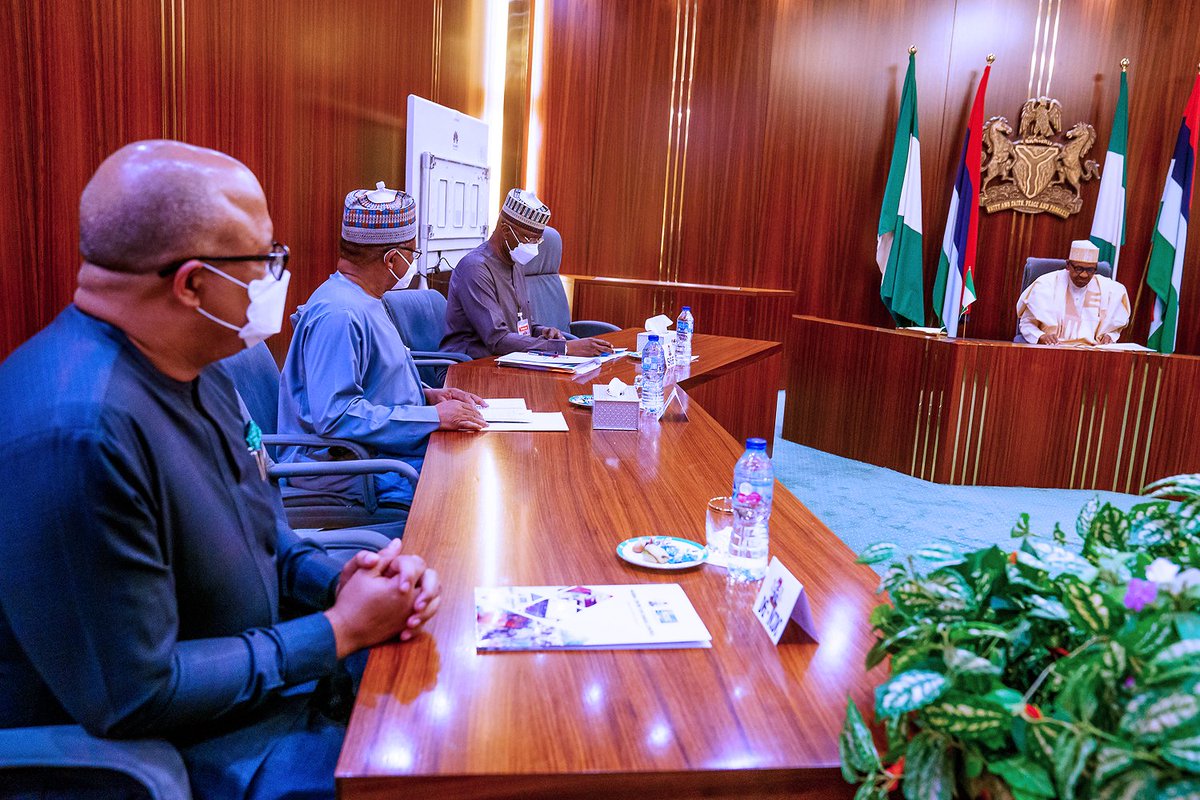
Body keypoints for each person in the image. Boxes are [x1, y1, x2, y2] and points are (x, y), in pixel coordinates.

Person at [0, 141, 440, 800]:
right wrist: (339, 629)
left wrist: (341, 580)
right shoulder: (81, 433)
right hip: (198, 749)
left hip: (275, 685)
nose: (275, 277)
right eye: (266, 260)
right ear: (193, 284)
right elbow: (136, 694)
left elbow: (271, 543)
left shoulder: (202, 369)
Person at [278, 182, 486, 508]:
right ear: (393, 258)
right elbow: (336, 417)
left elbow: (375, 381)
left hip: (380, 451)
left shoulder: (366, 300)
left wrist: (428, 396)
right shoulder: (340, 314)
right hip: (351, 467)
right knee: (466, 489)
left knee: (474, 466)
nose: (412, 262)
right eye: (412, 253)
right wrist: (431, 418)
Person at [441, 188, 613, 358]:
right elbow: (497, 339)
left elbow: (520, 324)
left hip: (505, 361)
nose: (533, 246)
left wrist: (541, 331)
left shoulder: (515, 263)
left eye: (538, 240)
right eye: (529, 239)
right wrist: (564, 348)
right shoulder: (475, 269)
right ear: (506, 230)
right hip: (468, 367)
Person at [1016, 239, 1131, 346]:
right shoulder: (1045, 285)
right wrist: (1041, 336)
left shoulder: (1110, 290)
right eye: (1078, 268)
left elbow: (1114, 329)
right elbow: (1026, 323)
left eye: (1090, 270)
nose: (1084, 275)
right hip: (1052, 349)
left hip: (1092, 353)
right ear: (1068, 265)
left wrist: (1109, 336)